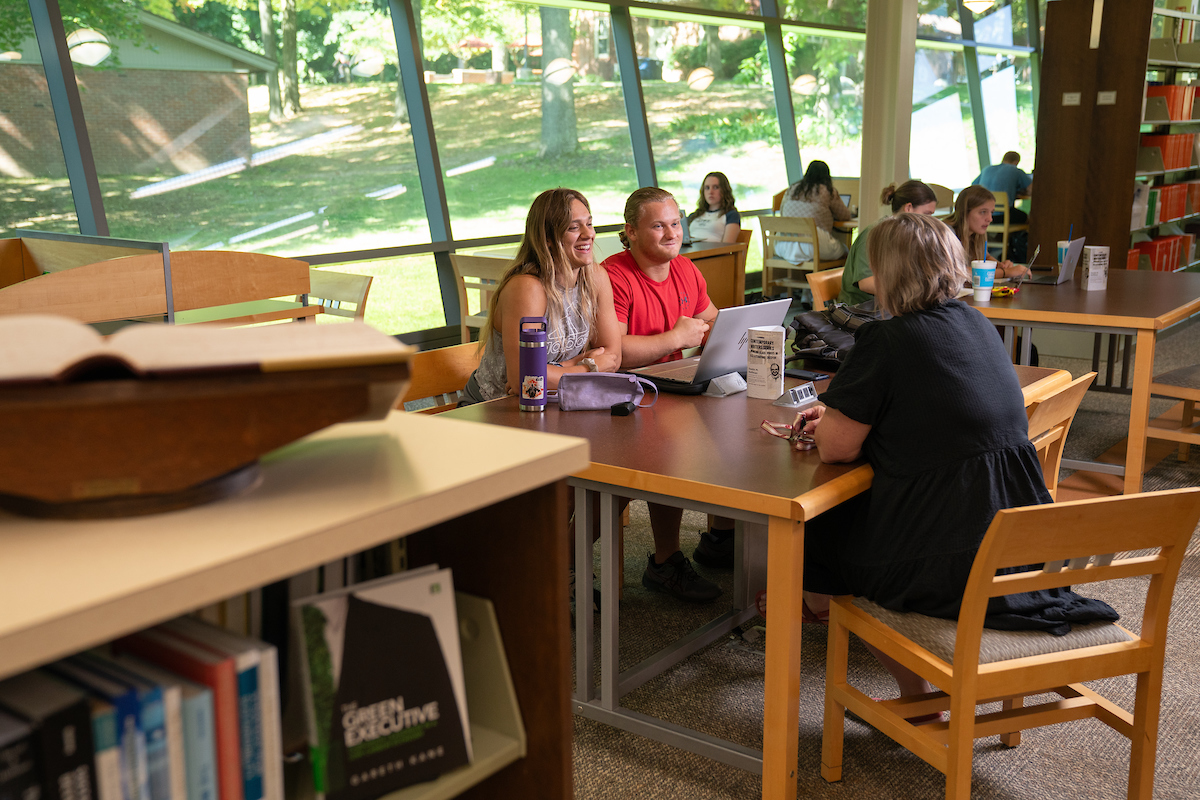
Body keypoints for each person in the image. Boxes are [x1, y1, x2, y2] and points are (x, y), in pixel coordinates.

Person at [797, 213, 1116, 703]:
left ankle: (896, 677)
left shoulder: (885, 339)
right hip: (1018, 541)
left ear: (890, 273)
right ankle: (823, 615)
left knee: (820, 535)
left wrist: (837, 421)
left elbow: (837, 449)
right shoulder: (976, 323)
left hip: (953, 558)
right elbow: (933, 408)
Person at [601, 187, 727, 599]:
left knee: (736, 421)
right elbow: (614, 353)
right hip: (622, 393)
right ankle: (665, 562)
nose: (671, 232)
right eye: (658, 225)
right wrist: (674, 336)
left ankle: (721, 535)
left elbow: (712, 320)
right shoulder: (613, 276)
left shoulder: (687, 270)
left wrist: (733, 337)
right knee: (668, 444)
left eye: (675, 223)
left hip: (668, 387)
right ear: (631, 232)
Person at [463, 187, 622, 404]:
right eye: (574, 227)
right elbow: (526, 380)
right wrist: (586, 366)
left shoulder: (596, 277)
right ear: (547, 238)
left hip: (555, 402)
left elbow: (613, 357)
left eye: (589, 224)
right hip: (496, 407)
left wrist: (558, 370)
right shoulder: (528, 288)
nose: (589, 234)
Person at [837, 180, 937, 306]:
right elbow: (866, 282)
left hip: (888, 309)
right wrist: (910, 293)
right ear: (908, 208)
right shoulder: (874, 234)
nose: (930, 221)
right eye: (926, 214)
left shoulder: (909, 237)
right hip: (862, 311)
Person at [946, 185, 1030, 279]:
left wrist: (999, 265)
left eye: (992, 212)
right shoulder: (947, 233)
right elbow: (958, 271)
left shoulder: (975, 234)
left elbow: (986, 257)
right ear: (964, 212)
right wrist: (1006, 272)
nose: (990, 219)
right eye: (983, 212)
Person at [778, 160, 853, 261]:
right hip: (813, 245)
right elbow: (844, 216)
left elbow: (782, 212)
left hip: (785, 245)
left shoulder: (792, 189)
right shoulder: (828, 191)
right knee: (845, 250)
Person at [973, 150, 1033, 224]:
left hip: (983, 215)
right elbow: (1032, 189)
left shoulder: (987, 169)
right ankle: (1021, 235)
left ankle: (1001, 235)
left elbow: (974, 186)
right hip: (1003, 216)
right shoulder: (1016, 171)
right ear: (1016, 162)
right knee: (1026, 217)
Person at [686, 172, 742, 244]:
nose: (710, 192)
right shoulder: (694, 215)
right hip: (690, 252)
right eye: (707, 188)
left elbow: (727, 246)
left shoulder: (731, 215)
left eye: (715, 187)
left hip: (713, 253)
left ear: (724, 190)